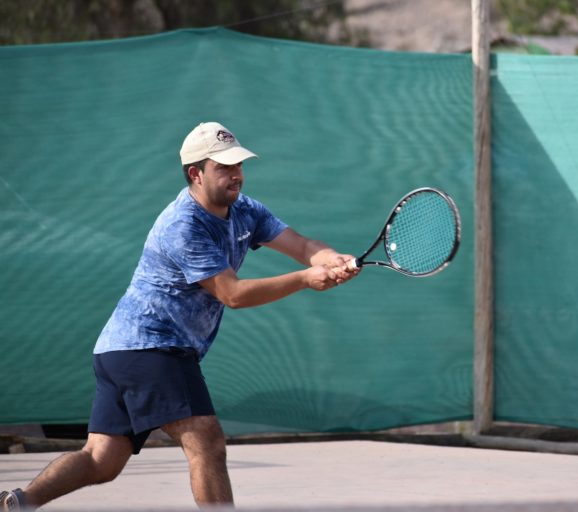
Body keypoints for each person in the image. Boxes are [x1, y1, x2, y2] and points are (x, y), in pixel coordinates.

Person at [0, 122, 359, 510]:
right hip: (151, 347)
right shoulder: (182, 225)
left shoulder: (245, 210)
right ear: (196, 174)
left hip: (118, 351)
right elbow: (232, 294)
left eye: (238, 163)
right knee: (206, 441)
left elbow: (302, 244)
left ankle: (18, 502)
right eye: (223, 166)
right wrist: (306, 278)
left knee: (101, 460)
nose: (236, 173)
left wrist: (330, 258)